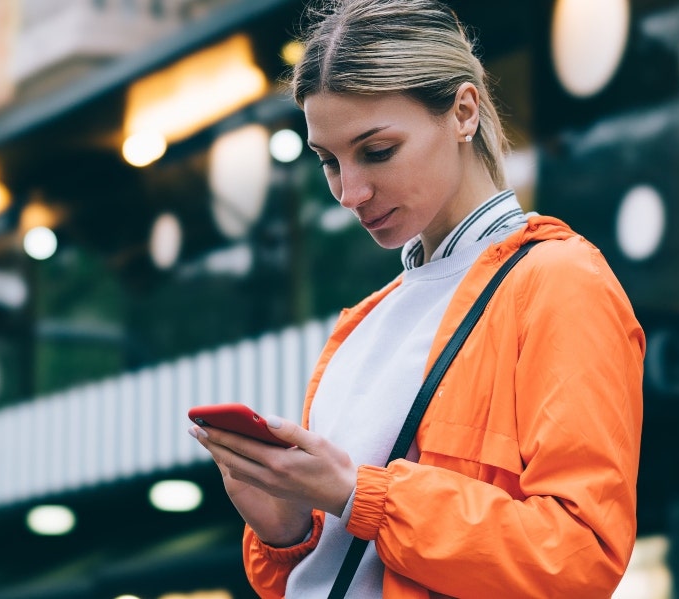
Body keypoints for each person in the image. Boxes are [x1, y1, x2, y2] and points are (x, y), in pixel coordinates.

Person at [189, 0, 645, 596]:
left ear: (462, 111)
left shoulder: (559, 281)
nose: (350, 193)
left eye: (377, 151)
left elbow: (580, 556)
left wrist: (358, 494)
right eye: (328, 162)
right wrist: (285, 527)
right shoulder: (362, 325)